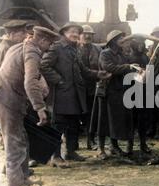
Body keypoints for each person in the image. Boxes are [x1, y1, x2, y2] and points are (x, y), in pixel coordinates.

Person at [0, 26, 59, 186]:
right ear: (42, 40)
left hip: (4, 96)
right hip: (7, 100)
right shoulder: (32, 52)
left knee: (21, 139)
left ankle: (23, 178)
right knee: (14, 142)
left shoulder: (19, 46)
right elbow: (30, 82)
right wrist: (40, 108)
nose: (48, 48)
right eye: (48, 43)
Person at [41, 23, 110, 167]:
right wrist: (58, 80)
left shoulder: (75, 49)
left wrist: (98, 74)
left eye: (77, 32)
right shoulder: (57, 47)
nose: (75, 34)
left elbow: (83, 70)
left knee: (73, 125)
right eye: (72, 31)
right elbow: (43, 65)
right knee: (58, 126)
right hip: (61, 95)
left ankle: (70, 152)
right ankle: (56, 156)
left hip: (75, 95)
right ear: (64, 32)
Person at [99, 30, 138, 157]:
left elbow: (126, 69)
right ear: (114, 41)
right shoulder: (105, 54)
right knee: (110, 120)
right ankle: (112, 146)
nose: (124, 41)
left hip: (123, 90)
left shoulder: (122, 55)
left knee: (121, 120)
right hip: (111, 91)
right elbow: (109, 68)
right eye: (121, 39)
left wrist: (137, 70)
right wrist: (128, 67)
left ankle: (117, 146)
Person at [78, 25, 102, 149]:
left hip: (93, 87)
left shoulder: (97, 50)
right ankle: (73, 144)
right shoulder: (75, 49)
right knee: (76, 115)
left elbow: (101, 65)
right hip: (78, 88)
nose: (87, 36)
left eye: (90, 34)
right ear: (79, 36)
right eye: (84, 34)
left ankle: (91, 140)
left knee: (91, 115)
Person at [129, 37, 152, 159]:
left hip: (143, 91)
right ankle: (130, 145)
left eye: (142, 44)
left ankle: (143, 144)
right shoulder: (128, 57)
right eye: (139, 44)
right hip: (131, 92)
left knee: (143, 120)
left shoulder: (145, 57)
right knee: (131, 120)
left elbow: (149, 71)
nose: (141, 46)